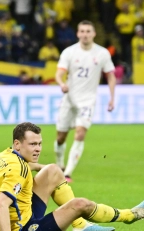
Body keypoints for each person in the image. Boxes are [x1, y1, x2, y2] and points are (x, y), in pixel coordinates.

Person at [0, 122, 144, 231]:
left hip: (6, 222)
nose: (38, 149)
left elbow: (28, 168)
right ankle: (129, 215)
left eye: (40, 144)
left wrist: (45, 169)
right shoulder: (17, 169)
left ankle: (80, 227)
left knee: (53, 170)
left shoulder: (7, 155)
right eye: (33, 144)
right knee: (81, 205)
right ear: (17, 144)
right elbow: (1, 205)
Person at [54, 20, 116, 182]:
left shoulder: (102, 53)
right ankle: (60, 165)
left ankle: (67, 173)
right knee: (61, 136)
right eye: (82, 31)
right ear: (77, 33)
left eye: (88, 31)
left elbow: (110, 76)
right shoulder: (69, 52)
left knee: (80, 133)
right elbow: (59, 73)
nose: (85, 34)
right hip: (69, 99)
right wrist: (62, 84)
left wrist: (112, 98)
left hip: (88, 101)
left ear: (94, 33)